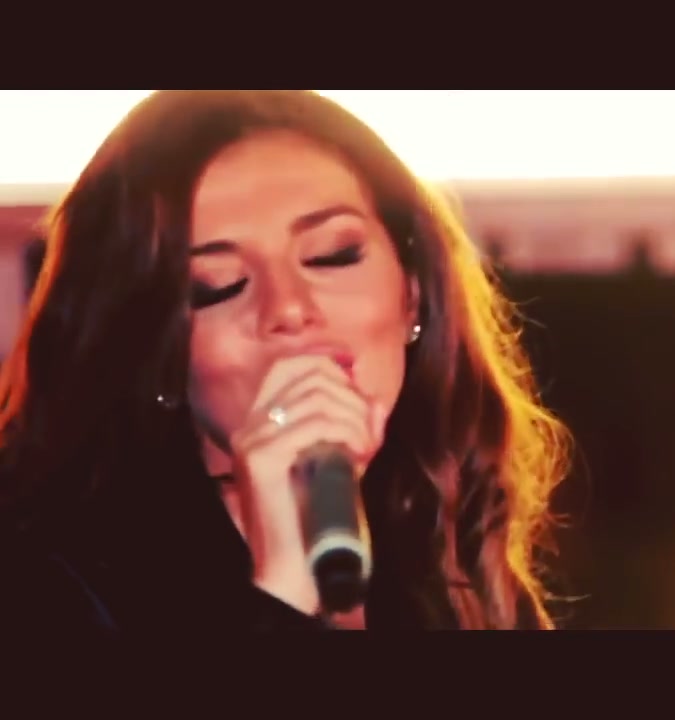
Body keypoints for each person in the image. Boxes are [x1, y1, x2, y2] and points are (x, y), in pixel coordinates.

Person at [0, 90, 572, 631]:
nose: (289, 309)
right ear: (156, 355)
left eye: (332, 255)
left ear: (413, 295)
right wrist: (281, 592)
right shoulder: (48, 583)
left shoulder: (450, 555)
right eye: (217, 286)